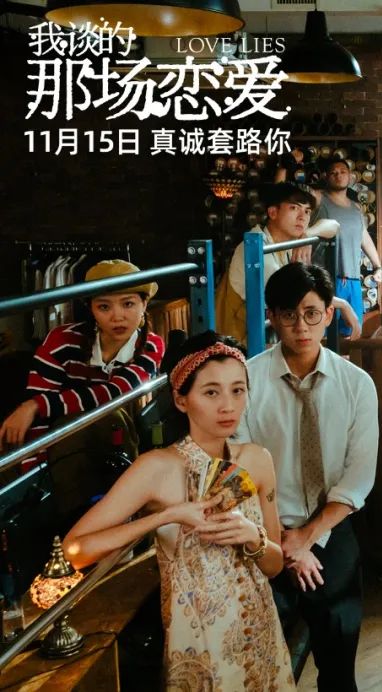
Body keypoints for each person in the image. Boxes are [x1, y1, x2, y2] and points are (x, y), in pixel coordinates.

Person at [63, 331, 294, 691]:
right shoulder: (156, 467)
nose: (228, 406)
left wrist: (254, 537)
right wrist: (166, 516)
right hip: (199, 647)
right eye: (211, 392)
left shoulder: (257, 460)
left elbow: (274, 566)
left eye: (238, 390)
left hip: (260, 633)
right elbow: (75, 550)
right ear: (181, 399)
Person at [235, 263, 378, 692]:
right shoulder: (246, 382)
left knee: (339, 663)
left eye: (312, 313)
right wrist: (287, 544)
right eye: (289, 314)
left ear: (329, 315)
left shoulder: (357, 385)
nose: (301, 326)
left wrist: (308, 537)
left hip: (332, 529)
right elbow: (242, 474)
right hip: (263, 533)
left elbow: (358, 476)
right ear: (272, 317)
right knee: (263, 665)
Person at [0, 259, 164, 483]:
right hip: (56, 448)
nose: (117, 316)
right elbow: (37, 421)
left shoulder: (150, 345)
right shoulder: (61, 341)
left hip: (115, 446)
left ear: (144, 304)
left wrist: (35, 405)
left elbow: (114, 395)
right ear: (91, 308)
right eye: (104, 307)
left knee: (105, 417)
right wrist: (36, 476)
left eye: (128, 304)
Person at [216, 182, 360, 346]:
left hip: (263, 337)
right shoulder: (255, 247)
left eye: (307, 211)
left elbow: (334, 225)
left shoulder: (286, 244)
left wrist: (308, 234)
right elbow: (296, 294)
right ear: (273, 212)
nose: (302, 217)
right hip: (236, 344)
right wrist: (343, 304)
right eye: (294, 208)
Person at [312, 159, 382, 338]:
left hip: (352, 280)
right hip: (327, 279)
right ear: (326, 177)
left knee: (352, 336)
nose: (339, 175)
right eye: (333, 172)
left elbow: (364, 237)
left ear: (351, 177)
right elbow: (287, 193)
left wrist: (378, 266)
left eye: (343, 172)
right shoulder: (319, 199)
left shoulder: (356, 207)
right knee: (323, 335)